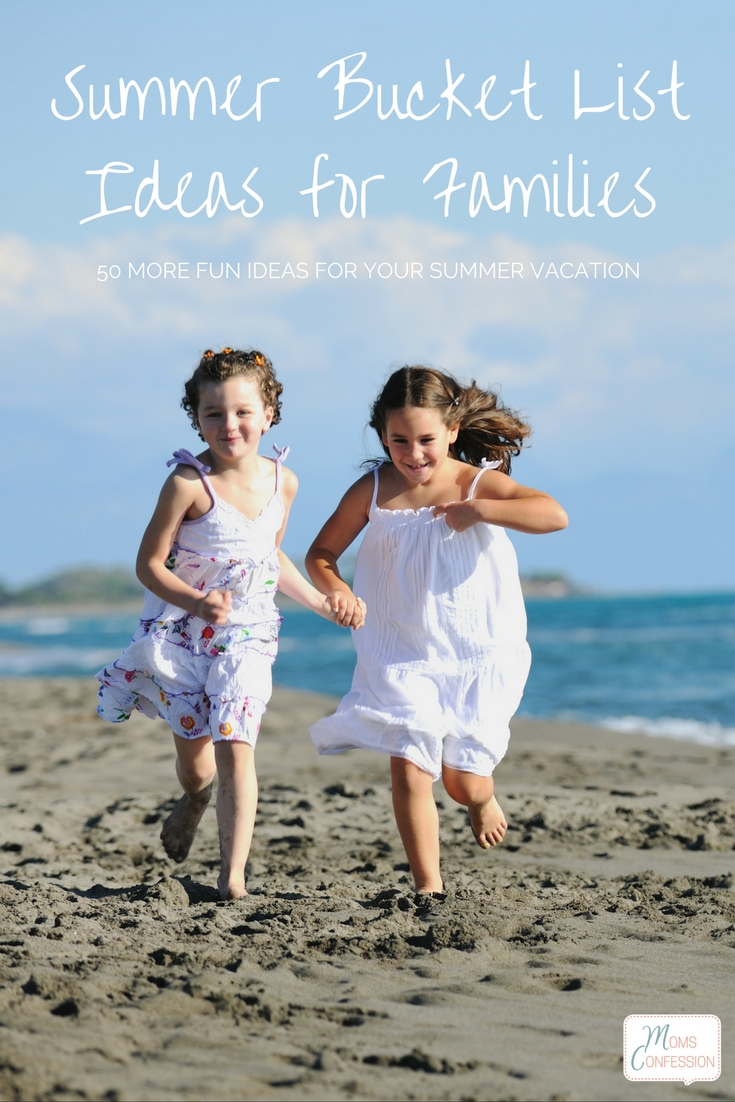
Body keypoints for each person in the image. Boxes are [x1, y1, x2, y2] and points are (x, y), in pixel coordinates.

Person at [96, 347, 364, 900]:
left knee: (236, 743)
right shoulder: (188, 484)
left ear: (269, 414)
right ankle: (194, 800)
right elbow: (148, 565)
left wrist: (318, 601)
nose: (230, 425)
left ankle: (232, 876)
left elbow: (269, 557)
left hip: (248, 634)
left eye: (243, 412)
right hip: (182, 637)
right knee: (197, 768)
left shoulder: (283, 483)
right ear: (196, 418)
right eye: (213, 414)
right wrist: (195, 603)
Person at [306, 365, 567, 895]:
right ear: (382, 435)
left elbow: (553, 514)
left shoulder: (474, 482)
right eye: (399, 440)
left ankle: (481, 798)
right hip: (400, 651)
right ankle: (429, 886)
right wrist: (335, 589)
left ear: (451, 431)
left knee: (463, 782)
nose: (414, 453)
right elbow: (321, 554)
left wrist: (480, 510)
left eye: (426, 439)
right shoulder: (373, 489)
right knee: (409, 767)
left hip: (473, 650)